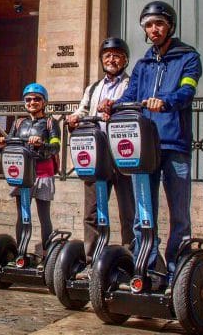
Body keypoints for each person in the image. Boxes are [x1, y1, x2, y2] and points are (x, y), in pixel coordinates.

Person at [100, 1, 202, 287]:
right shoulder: (143, 64)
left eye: (158, 23)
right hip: (144, 146)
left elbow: (187, 90)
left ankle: (176, 272)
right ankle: (148, 267)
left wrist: (166, 101)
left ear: (170, 25)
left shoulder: (188, 58)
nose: (153, 29)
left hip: (175, 144)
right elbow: (130, 94)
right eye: (148, 25)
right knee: (143, 212)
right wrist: (113, 106)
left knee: (178, 212)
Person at [67, 38, 136, 271]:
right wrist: (74, 117)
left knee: (129, 212)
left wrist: (115, 109)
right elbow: (83, 108)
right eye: (107, 55)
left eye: (117, 55)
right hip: (96, 154)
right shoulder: (94, 87)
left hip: (123, 153)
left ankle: (131, 260)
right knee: (92, 212)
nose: (111, 59)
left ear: (125, 59)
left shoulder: (130, 84)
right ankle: (92, 262)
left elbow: (135, 106)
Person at [0, 83, 60, 252]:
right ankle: (20, 251)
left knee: (43, 215)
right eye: (28, 99)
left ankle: (47, 253)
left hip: (43, 174)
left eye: (37, 99)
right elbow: (9, 146)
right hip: (22, 175)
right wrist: (1, 145)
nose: (32, 102)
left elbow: (55, 147)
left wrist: (41, 144)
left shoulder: (51, 123)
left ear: (44, 102)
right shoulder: (18, 123)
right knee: (22, 214)